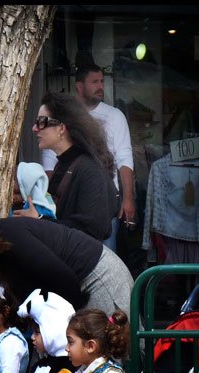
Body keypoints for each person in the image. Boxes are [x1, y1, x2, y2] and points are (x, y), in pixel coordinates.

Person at [0, 198, 134, 320]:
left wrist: (67, 327)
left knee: (114, 355)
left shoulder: (6, 234)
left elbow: (64, 281)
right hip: (66, 294)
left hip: (95, 275)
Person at [41, 64, 135, 252]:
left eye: (102, 81)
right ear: (79, 86)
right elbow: (49, 165)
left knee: (104, 256)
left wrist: (128, 198)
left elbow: (125, 158)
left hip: (104, 200)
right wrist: (46, 203)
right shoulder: (64, 118)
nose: (100, 86)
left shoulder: (115, 116)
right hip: (68, 201)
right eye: (95, 82)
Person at [15, 92, 118, 242]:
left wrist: (39, 219)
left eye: (41, 122)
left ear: (61, 128)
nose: (34, 128)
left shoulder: (90, 170)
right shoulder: (67, 163)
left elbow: (91, 231)